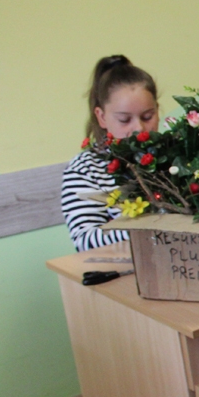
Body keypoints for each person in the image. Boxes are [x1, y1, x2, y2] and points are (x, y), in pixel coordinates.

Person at [61, 55, 160, 252]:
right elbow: (85, 240)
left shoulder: (173, 156)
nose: (138, 128)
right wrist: (155, 228)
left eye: (147, 116)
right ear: (102, 117)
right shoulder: (86, 170)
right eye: (124, 120)